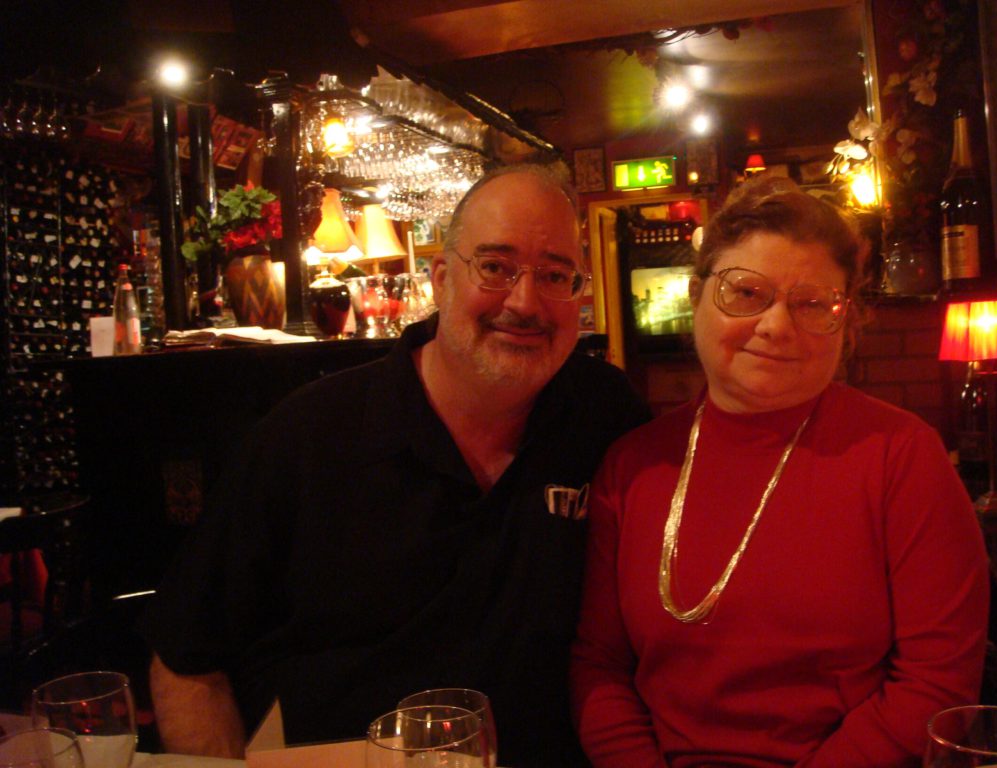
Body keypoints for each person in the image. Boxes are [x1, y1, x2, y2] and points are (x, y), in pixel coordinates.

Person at [140, 164, 650, 767]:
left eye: (555, 275)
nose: (524, 301)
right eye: (494, 267)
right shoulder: (308, 435)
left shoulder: (607, 418)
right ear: (440, 278)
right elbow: (186, 658)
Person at [570, 175, 989, 767]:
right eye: (746, 293)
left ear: (846, 324)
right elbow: (599, 667)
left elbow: (936, 683)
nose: (775, 325)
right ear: (695, 297)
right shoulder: (633, 464)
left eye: (812, 303)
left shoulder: (902, 455)